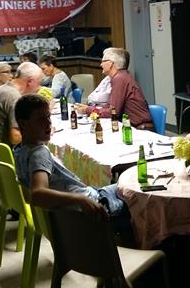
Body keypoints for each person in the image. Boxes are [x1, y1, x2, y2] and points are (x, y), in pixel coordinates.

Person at [13, 94, 130, 230]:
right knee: (135, 193)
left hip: (83, 202)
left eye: (48, 117)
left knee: (124, 185)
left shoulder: (19, 150)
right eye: (41, 119)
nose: (48, 123)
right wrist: (80, 200)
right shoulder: (39, 153)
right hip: (93, 206)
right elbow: (38, 194)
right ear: (23, 124)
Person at [75, 47, 152, 129]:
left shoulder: (119, 78)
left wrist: (87, 110)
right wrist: (89, 108)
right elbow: (110, 106)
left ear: (110, 63)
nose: (101, 64)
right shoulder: (121, 76)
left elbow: (113, 112)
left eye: (103, 61)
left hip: (140, 129)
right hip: (130, 126)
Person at [0, 61, 43, 147]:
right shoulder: (14, 97)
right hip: (5, 153)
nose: (39, 87)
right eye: (39, 83)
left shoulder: (5, 88)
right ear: (30, 81)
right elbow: (15, 138)